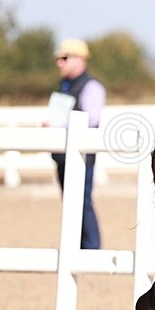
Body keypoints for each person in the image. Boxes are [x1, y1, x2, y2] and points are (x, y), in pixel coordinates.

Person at [51, 38, 105, 249]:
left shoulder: (91, 87)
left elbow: (91, 119)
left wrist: (60, 124)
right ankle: (78, 245)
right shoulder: (65, 86)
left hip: (82, 155)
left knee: (82, 201)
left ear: (79, 60)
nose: (60, 63)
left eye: (64, 58)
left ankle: (91, 246)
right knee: (70, 201)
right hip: (62, 154)